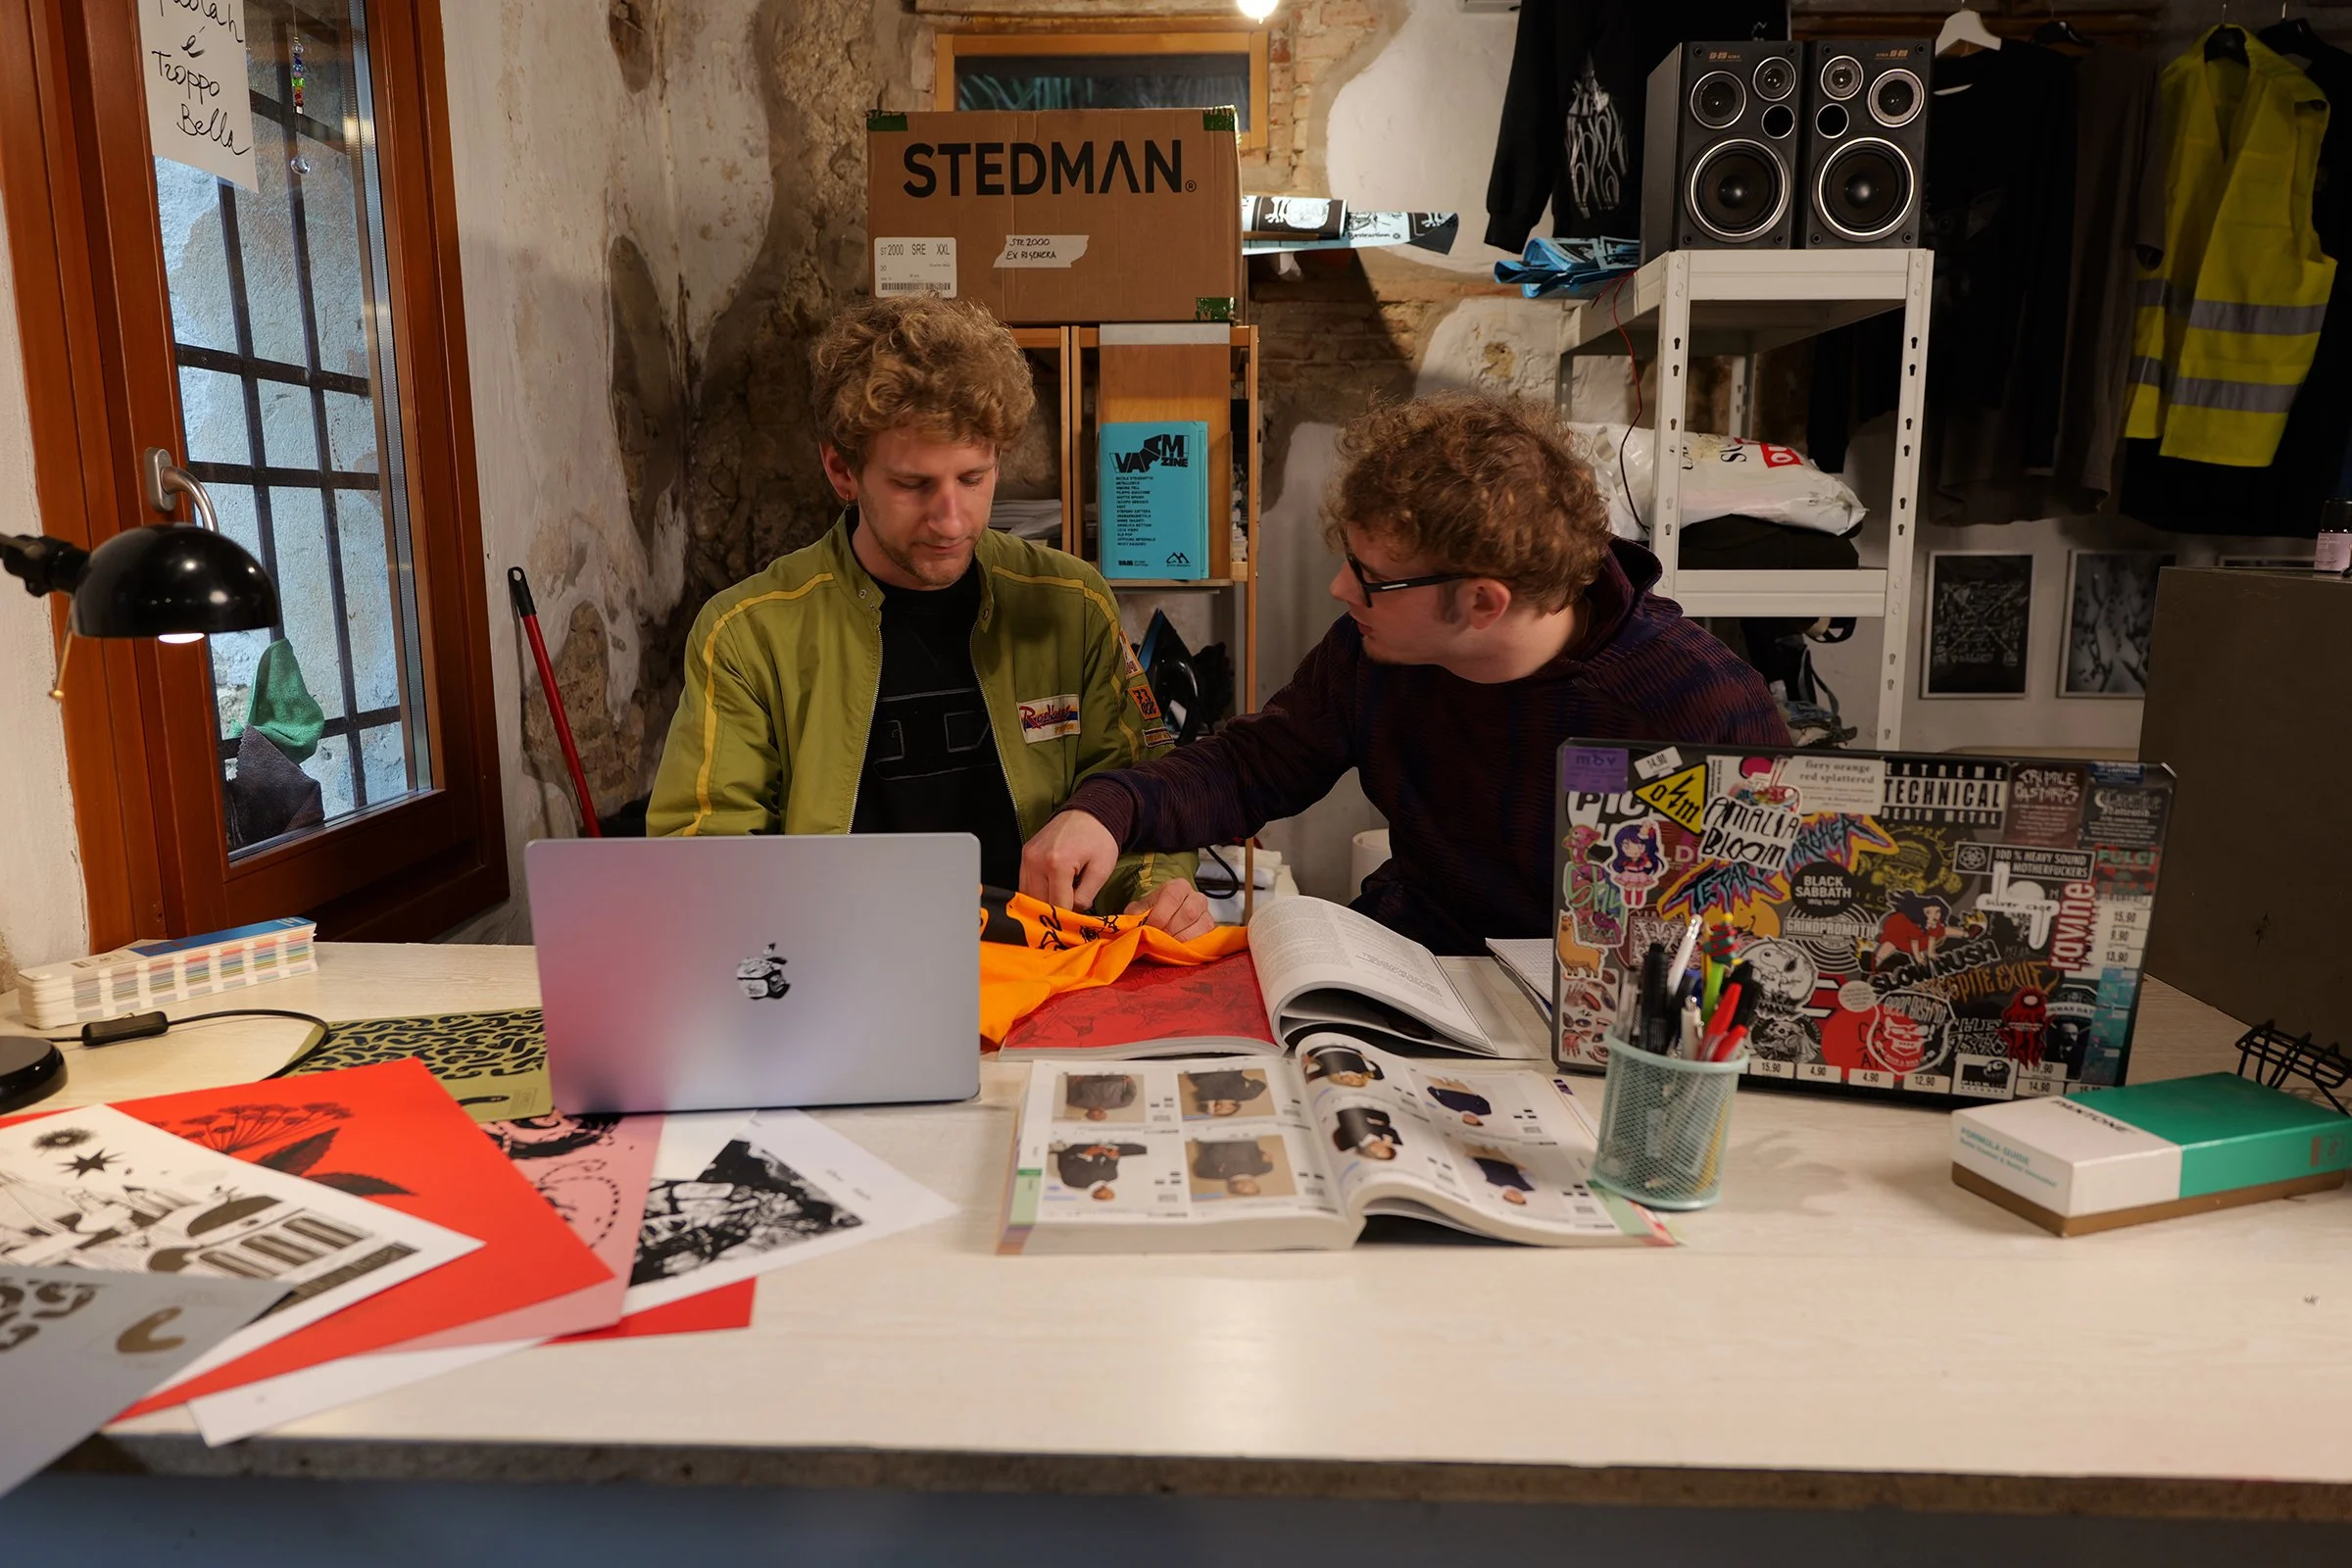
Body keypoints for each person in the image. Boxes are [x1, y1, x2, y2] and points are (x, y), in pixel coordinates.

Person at [1021, 392, 1788, 955]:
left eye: (1370, 577)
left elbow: (1763, 932)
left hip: (1601, 1017)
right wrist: (1110, 806)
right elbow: (1258, 764)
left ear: (1483, 602)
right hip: (1411, 965)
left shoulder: (1700, 709)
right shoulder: (1378, 649)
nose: (1341, 590)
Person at [646, 295, 1209, 935]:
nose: (951, 519)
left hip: (1049, 973)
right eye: (914, 485)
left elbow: (1143, 794)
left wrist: (1158, 894)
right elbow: (703, 856)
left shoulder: (1070, 603)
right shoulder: (746, 635)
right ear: (841, 470)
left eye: (973, 478)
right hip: (848, 979)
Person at [1190, 1138, 1276, 1197]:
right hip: (1242, 1134)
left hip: (1213, 1138)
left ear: (1234, 1189)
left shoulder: (1211, 1174)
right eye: (1252, 1188)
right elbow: (1261, 1153)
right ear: (1256, 1184)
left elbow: (1199, 1168)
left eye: (1243, 1190)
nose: (1246, 1186)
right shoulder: (1265, 1168)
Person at [1184, 1069, 1268, 1118]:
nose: (1220, 1107)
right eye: (1227, 1109)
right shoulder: (1244, 1095)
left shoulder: (1208, 1093)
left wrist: (1211, 1107)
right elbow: (1260, 1085)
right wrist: (1243, 1078)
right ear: (1233, 1107)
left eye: (1217, 1110)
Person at [1332, 1106, 1400, 1160]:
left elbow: (1345, 1112)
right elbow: (1383, 1116)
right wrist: (1387, 1136)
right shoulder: (1389, 1133)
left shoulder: (1345, 1144)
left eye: (1380, 1153)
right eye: (1385, 1149)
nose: (1380, 1148)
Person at [1060, 1073, 1138, 1122]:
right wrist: (1130, 1082)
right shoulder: (1121, 1104)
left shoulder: (1076, 1102)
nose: (1095, 1113)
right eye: (1099, 1115)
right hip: (1115, 1079)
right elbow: (1131, 1094)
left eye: (1093, 1115)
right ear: (1104, 1113)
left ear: (1087, 1113)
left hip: (1090, 1079)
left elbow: (1074, 1089)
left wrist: (1076, 1080)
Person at [1423, 1077, 1493, 1126]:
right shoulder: (1483, 1112)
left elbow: (1442, 1102)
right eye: (1472, 1122)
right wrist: (1474, 1096)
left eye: (1466, 1121)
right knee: (1452, 1077)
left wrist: (1431, 1089)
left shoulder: (1455, 1109)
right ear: (1478, 1120)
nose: (1468, 1119)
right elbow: (1485, 1102)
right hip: (1462, 1090)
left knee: (1430, 1076)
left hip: (1442, 1088)